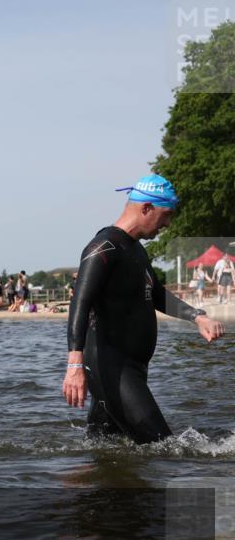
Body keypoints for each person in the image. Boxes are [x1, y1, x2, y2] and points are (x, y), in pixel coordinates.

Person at [62, 174, 225, 444]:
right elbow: (80, 302)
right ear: (146, 207)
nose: (168, 223)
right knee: (163, 448)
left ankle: (85, 483)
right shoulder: (104, 247)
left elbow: (157, 294)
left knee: (105, 449)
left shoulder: (136, 250)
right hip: (110, 366)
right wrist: (75, 365)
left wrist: (198, 317)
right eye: (166, 215)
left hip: (133, 366)